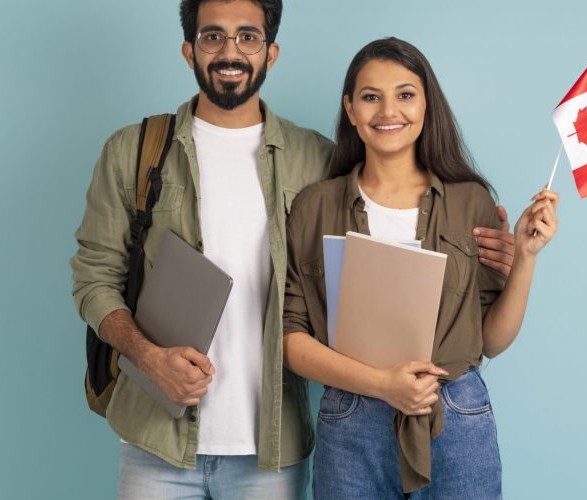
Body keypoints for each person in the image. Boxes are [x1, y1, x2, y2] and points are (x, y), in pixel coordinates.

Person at [70, 2, 517, 498]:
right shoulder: (134, 151)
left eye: (248, 37)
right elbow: (94, 278)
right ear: (188, 49)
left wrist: (498, 256)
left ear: (271, 51)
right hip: (154, 436)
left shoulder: (318, 159)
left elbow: (380, 247)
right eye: (212, 37)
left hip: (273, 449)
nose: (230, 51)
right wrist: (148, 357)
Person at [282, 37, 560, 498]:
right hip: (352, 420)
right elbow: (292, 341)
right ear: (350, 109)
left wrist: (526, 258)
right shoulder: (314, 206)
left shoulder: (471, 200)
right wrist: (381, 384)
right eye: (371, 96)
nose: (389, 110)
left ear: (427, 104)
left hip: (455, 415)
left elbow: (491, 340)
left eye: (406, 94)